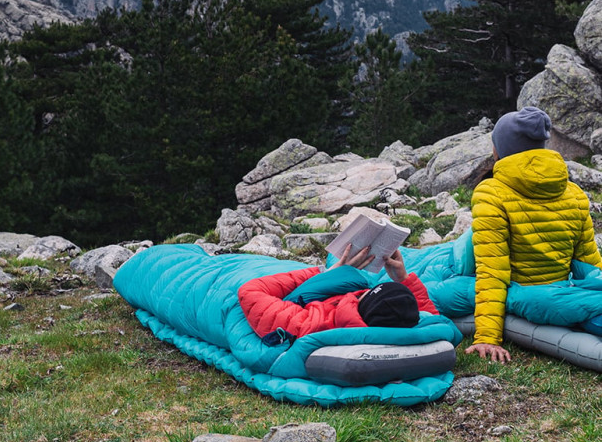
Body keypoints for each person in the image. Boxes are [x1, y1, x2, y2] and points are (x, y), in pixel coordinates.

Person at [465, 106, 602, 363]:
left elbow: (492, 271)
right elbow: (590, 265)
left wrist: (487, 336)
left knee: (450, 288)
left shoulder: (490, 192)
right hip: (561, 290)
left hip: (527, 297)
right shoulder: (573, 191)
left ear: (501, 149)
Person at [238, 245, 438, 340]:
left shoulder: (312, 324)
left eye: (365, 294)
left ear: (360, 301)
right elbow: (432, 319)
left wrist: (322, 274)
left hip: (252, 276)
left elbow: (249, 291)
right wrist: (403, 279)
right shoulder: (399, 323)